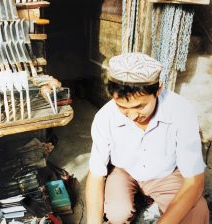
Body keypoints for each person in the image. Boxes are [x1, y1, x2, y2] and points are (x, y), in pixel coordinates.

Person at [85, 52, 209, 224]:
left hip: (166, 174)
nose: (132, 116)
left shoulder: (181, 111)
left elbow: (194, 180)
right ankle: (141, 201)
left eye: (140, 106)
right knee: (117, 213)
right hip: (124, 171)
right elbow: (96, 175)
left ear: (158, 89)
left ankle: (150, 201)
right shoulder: (104, 117)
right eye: (122, 107)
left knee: (198, 212)